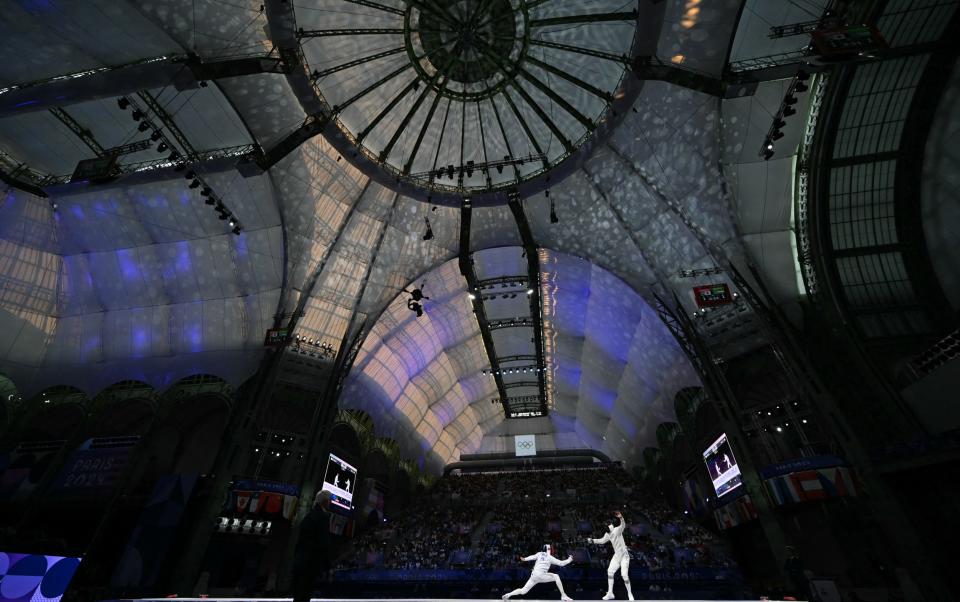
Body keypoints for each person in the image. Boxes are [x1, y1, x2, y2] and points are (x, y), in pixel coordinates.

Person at [292, 490, 336, 602]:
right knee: (305, 595)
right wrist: (328, 566)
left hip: (300, 561)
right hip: (311, 563)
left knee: (298, 596)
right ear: (326, 501)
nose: (330, 503)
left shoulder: (309, 516)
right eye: (330, 500)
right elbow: (323, 543)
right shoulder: (323, 517)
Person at [588, 510, 634, 601]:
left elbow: (623, 525)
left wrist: (621, 517)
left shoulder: (617, 530)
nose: (606, 530)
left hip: (624, 556)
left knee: (624, 575)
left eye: (606, 527)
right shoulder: (607, 534)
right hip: (617, 556)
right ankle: (610, 593)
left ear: (610, 527)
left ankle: (630, 594)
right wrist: (592, 540)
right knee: (610, 571)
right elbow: (601, 541)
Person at [502, 544, 573, 600]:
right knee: (556, 576)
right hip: (541, 576)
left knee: (523, 591)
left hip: (534, 576)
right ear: (549, 550)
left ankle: (508, 595)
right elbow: (562, 563)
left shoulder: (539, 554)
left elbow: (532, 557)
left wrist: (525, 559)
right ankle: (563, 595)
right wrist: (570, 559)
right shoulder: (550, 557)